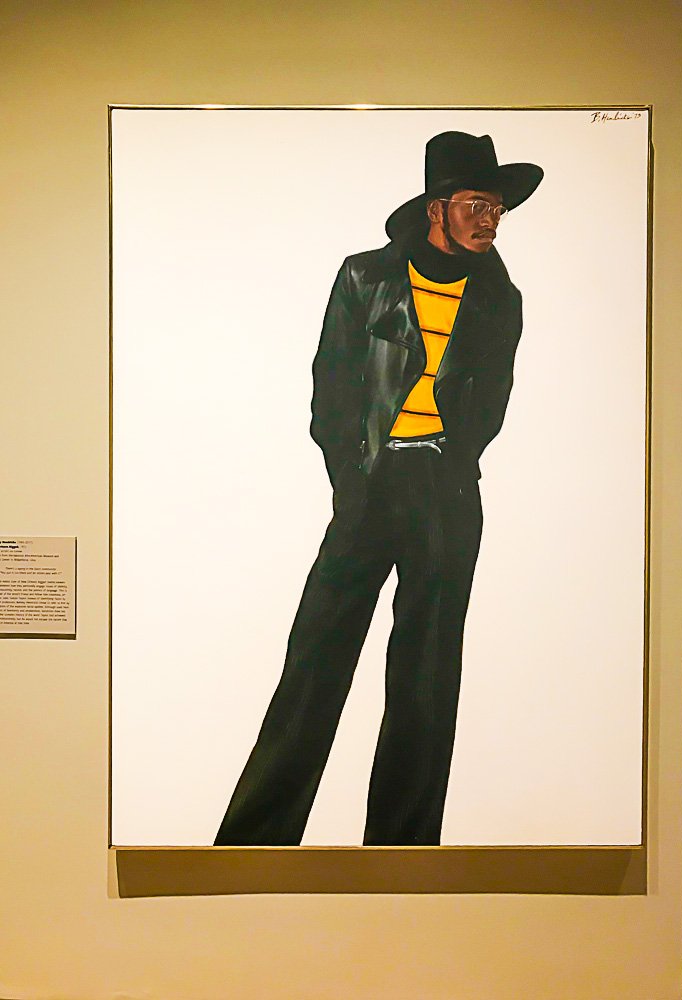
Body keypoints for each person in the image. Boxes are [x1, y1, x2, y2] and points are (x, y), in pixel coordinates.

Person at [214, 131, 543, 847]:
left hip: (447, 493)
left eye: (497, 210)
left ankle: (402, 851)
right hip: (370, 484)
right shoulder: (365, 277)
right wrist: (353, 480)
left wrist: (452, 466)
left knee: (427, 681)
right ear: (438, 208)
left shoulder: (501, 299)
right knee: (315, 662)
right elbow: (330, 391)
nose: (490, 220)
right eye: (477, 205)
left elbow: (493, 403)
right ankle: (253, 843)